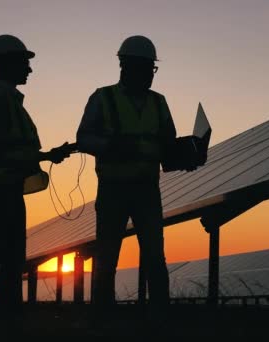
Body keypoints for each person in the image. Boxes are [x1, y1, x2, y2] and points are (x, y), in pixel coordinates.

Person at [77, 35, 196, 316]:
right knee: (107, 256)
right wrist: (114, 146)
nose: (148, 75)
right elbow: (84, 138)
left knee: (155, 255)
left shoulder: (159, 103)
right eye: (144, 68)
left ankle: (159, 315)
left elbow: (166, 145)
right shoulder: (103, 98)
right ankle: (103, 315)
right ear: (126, 66)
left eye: (151, 69)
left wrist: (186, 156)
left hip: (147, 189)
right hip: (113, 189)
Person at [0, 34, 71, 336]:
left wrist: (48, 155)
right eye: (25, 63)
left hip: (3, 186)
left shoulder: (7, 101)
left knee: (1, 256)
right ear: (8, 64)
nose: (30, 70)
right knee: (0, 257)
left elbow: (7, 146)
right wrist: (42, 155)